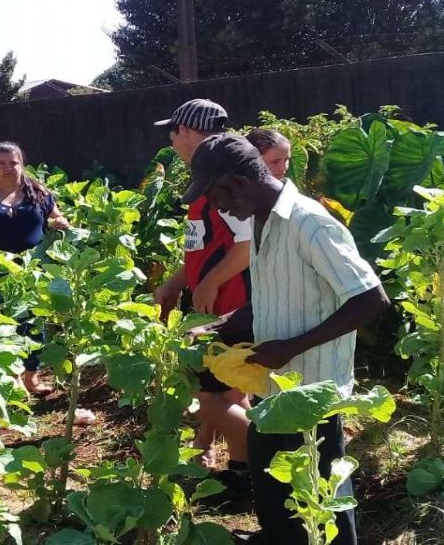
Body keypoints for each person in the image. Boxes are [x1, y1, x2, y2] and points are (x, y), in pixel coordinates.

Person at [182, 136, 390, 545]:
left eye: (218, 195)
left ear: (240, 182)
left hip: (312, 391)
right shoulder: (261, 221)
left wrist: (290, 347)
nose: (218, 207)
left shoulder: (309, 223)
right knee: (272, 479)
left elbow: (371, 299)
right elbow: (267, 297)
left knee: (321, 490)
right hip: (274, 384)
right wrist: (219, 325)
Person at [152, 99, 254, 494]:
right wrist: (179, 282)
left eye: (173, 131)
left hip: (229, 307)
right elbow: (206, 246)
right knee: (225, 390)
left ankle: (253, 471)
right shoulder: (213, 174)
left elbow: (247, 245)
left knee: (208, 396)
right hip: (216, 305)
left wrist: (210, 283)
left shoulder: (224, 178)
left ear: (188, 133)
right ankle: (239, 470)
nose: (171, 139)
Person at [0, 142, 95, 425]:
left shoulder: (38, 192)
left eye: (14, 162)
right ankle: (13, 380)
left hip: (34, 269)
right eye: (2, 163)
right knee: (2, 325)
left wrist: (60, 224)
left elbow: (57, 217)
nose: (8, 168)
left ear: (22, 163)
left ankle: (31, 377)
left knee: (34, 324)